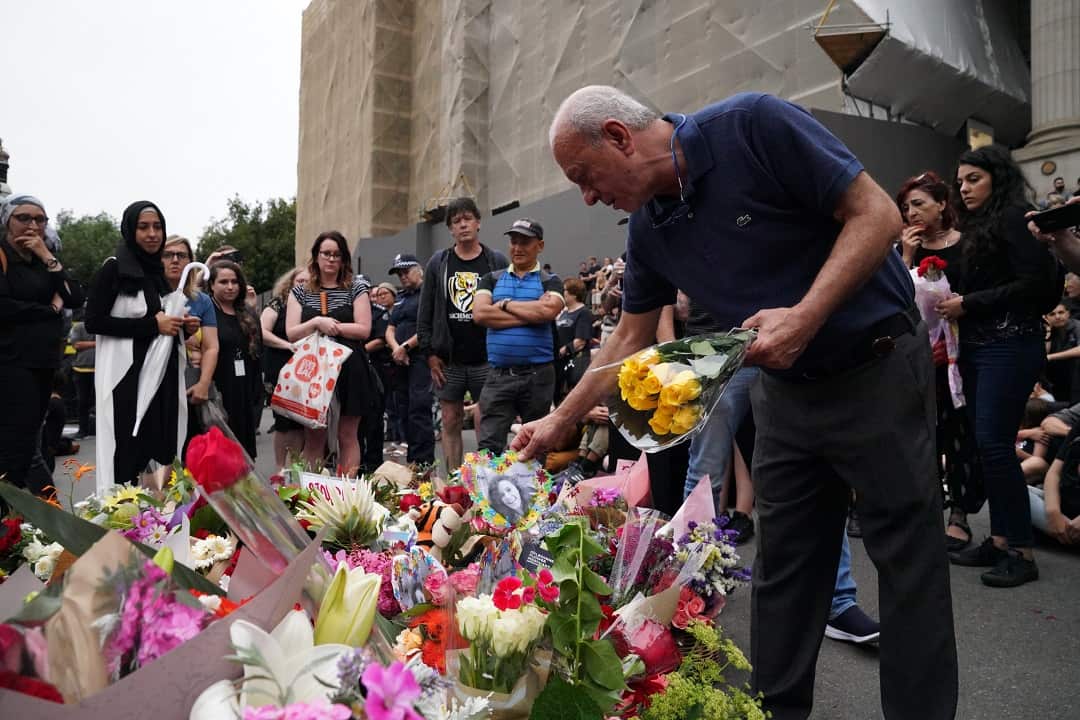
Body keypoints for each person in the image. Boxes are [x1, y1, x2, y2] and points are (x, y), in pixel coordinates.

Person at [517, 86, 958, 720]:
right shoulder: (648, 227)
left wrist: (805, 315)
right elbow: (629, 336)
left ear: (618, 136)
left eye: (585, 178)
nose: (587, 197)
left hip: (876, 365)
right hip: (783, 392)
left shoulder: (753, 126)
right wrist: (558, 421)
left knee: (907, 561)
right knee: (785, 568)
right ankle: (776, 712)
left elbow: (878, 215)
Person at [942, 145, 1061, 588]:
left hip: (1010, 345)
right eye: (960, 182)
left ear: (997, 177)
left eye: (973, 179)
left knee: (994, 445)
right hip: (980, 347)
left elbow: (1036, 285)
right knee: (987, 444)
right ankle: (998, 538)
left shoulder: (1015, 216)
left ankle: (1021, 552)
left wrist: (967, 303)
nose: (964, 188)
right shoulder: (980, 224)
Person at [896, 171, 984, 552]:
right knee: (921, 437)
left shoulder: (970, 245)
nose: (912, 213)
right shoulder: (902, 248)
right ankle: (926, 512)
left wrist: (961, 309)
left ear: (942, 204)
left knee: (959, 433)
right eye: (906, 208)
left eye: (919, 204)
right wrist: (907, 256)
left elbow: (982, 295)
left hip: (963, 354)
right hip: (918, 357)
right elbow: (895, 298)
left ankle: (960, 515)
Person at [86, 201, 190, 489]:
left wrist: (183, 328)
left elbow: (159, 320)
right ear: (130, 230)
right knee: (129, 448)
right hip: (128, 376)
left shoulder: (156, 273)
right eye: (143, 227)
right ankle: (126, 519)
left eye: (157, 227)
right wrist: (152, 326)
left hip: (161, 375)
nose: (152, 234)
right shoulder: (115, 269)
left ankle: (158, 520)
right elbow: (94, 321)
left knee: (161, 445)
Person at [0, 194, 84, 497]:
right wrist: (48, 311)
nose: (33, 225)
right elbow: (4, 307)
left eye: (40, 219)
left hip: (43, 364)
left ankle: (23, 518)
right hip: (10, 363)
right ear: (7, 220)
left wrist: (47, 255)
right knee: (13, 446)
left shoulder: (42, 261)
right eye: (24, 218)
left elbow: (74, 296)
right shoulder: (3, 256)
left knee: (27, 446)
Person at [417, 197, 508, 470]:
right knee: (450, 419)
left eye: (468, 218)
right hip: (449, 359)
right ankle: (454, 481)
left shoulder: (496, 260)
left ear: (478, 223)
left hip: (487, 356)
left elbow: (506, 306)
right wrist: (429, 353)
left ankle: (487, 478)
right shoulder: (439, 262)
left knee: (488, 419)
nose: (463, 225)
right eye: (456, 221)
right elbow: (426, 308)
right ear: (450, 229)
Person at [472, 219, 563, 455]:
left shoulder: (550, 281)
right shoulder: (490, 279)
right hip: (499, 376)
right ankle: (486, 492)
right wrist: (532, 314)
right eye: (514, 241)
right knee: (489, 447)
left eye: (525, 242)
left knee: (537, 445)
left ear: (540, 246)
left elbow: (548, 311)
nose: (517, 247)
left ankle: (534, 493)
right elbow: (480, 314)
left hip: (539, 376)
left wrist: (505, 304)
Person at [286, 232, 375, 473]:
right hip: (314, 366)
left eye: (337, 254)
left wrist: (332, 326)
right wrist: (316, 322)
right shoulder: (300, 292)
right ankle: (311, 495)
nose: (331, 259)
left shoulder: (357, 288)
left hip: (350, 365)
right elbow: (292, 332)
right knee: (315, 435)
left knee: (348, 434)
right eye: (326, 253)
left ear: (344, 258)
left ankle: (345, 493)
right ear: (316, 257)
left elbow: (364, 329)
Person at [162, 235, 219, 450]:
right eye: (168, 255)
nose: (175, 260)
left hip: (190, 384)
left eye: (181, 255)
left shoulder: (201, 300)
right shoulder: (149, 294)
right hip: (155, 384)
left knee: (193, 451)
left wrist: (204, 384)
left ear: (190, 261)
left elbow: (211, 346)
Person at [207, 261, 260, 458]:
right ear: (212, 284)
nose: (230, 287)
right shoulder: (208, 311)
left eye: (234, 282)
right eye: (223, 282)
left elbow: (256, 354)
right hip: (219, 387)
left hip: (244, 389)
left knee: (245, 453)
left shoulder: (247, 313)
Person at [385, 253, 435, 465]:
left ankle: (423, 463)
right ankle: (412, 461)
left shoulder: (428, 293)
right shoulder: (401, 297)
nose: (402, 276)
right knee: (402, 410)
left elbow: (428, 326)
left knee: (419, 410)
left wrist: (405, 347)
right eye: (399, 273)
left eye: (406, 271)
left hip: (420, 357)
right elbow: (390, 328)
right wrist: (397, 348)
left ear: (418, 270)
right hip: (400, 360)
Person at [262, 266, 309, 467]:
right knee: (282, 422)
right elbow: (263, 331)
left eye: (309, 281)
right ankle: (280, 469)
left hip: (305, 370)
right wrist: (287, 345)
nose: (305, 285)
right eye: (300, 281)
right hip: (279, 367)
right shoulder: (278, 304)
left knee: (300, 423)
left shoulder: (313, 305)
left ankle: (295, 468)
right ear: (290, 283)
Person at [358, 279, 392, 473]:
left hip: (375, 370)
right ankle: (357, 463)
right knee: (354, 420)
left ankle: (374, 464)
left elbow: (380, 340)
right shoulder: (350, 311)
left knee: (375, 419)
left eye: (365, 289)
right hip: (354, 370)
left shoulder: (378, 312)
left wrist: (358, 351)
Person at [1029, 425, 1080, 546]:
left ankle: (1062, 535)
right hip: (1064, 505)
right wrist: (1053, 513)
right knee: (1013, 489)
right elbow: (1054, 473)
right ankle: (1065, 532)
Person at [554, 277, 594, 404]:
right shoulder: (564, 313)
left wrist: (561, 351)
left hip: (576, 362)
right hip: (560, 363)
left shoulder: (583, 313)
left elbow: (580, 342)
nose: (562, 293)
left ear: (574, 293)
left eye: (564, 290)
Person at [1044, 302, 1080, 404]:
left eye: (1061, 312)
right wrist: (1048, 332)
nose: (1057, 317)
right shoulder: (1049, 330)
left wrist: (1051, 356)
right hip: (1056, 377)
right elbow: (1043, 355)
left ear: (1068, 313)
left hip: (1073, 375)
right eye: (1052, 314)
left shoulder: (1077, 326)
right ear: (1046, 317)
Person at [69, 316, 96, 439]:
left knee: (101, 402)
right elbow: (76, 345)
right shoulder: (79, 327)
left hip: (99, 369)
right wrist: (97, 343)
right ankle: (82, 430)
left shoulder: (100, 325)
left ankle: (101, 430)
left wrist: (87, 344)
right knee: (82, 402)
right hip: (81, 369)